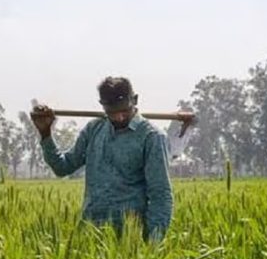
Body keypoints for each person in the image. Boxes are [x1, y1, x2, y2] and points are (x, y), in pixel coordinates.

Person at [31, 76, 173, 241]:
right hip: (90, 232)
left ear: (134, 100)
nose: (119, 117)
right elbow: (63, 167)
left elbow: (161, 195)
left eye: (124, 111)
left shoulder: (151, 137)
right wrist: (45, 133)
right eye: (112, 113)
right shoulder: (94, 130)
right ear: (103, 106)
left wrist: (152, 244)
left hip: (129, 237)